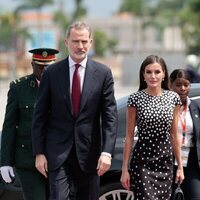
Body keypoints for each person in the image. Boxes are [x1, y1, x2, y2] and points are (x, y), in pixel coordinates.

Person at [31, 21, 117, 200]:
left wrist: (107, 152)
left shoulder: (103, 74)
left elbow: (110, 117)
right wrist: (39, 153)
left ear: (91, 42)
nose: (80, 46)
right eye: (76, 41)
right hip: (57, 154)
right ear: (66, 42)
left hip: (90, 155)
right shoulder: (51, 73)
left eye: (84, 41)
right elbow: (39, 116)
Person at [120, 55, 184, 200]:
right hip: (142, 161)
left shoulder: (173, 98)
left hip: (165, 160)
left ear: (164, 74)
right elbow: (129, 136)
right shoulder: (135, 99)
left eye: (157, 72)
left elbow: (174, 134)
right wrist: (125, 168)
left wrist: (179, 166)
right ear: (143, 75)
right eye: (148, 72)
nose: (153, 76)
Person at [0, 48, 59, 200]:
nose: (45, 70)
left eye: (49, 66)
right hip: (28, 160)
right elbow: (9, 126)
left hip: (57, 159)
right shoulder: (19, 88)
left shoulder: (64, 87)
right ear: (32, 65)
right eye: (40, 66)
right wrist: (5, 162)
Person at [170, 69, 200, 200]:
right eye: (178, 85)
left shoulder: (195, 107)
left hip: (191, 161)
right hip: (169, 161)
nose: (182, 88)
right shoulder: (165, 107)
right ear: (171, 85)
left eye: (186, 85)